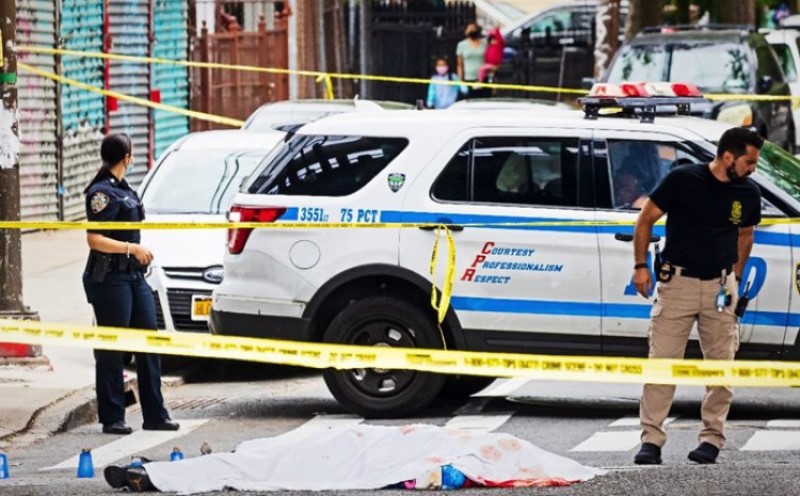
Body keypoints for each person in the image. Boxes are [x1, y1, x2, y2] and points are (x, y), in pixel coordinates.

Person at [631, 127, 763, 465]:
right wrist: (640, 266)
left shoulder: (747, 192)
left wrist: (735, 277)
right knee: (662, 364)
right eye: (749, 162)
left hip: (720, 285)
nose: (752, 169)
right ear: (728, 156)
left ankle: (711, 439)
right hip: (678, 283)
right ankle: (651, 440)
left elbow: (745, 234)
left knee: (721, 366)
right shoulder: (683, 179)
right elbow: (646, 219)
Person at [83, 133, 179, 435]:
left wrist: (136, 255)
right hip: (110, 279)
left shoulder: (125, 189)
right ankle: (113, 417)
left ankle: (155, 414)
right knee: (113, 349)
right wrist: (131, 249)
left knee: (148, 341)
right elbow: (95, 239)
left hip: (134, 276)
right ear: (127, 157)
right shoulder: (101, 193)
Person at [456, 22, 491, 99]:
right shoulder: (461, 45)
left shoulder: (485, 43)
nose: (472, 30)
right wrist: (460, 81)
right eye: (470, 28)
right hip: (469, 79)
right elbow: (459, 64)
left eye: (474, 28)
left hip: (483, 78)